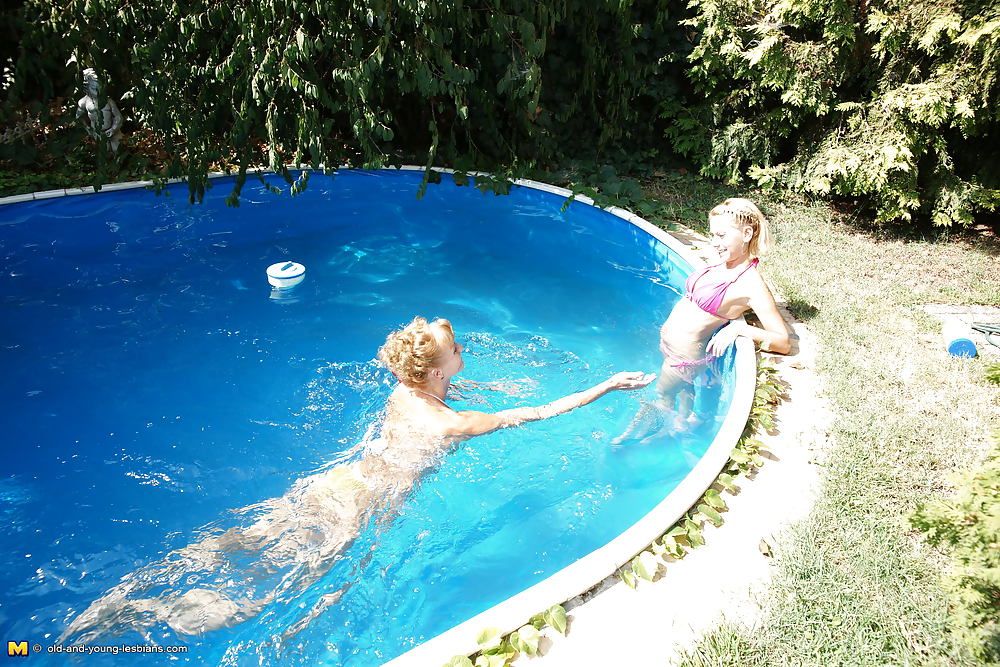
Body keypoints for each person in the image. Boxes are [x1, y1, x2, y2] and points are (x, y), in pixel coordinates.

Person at [62, 317, 653, 642]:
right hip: (366, 506)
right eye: (457, 349)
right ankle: (161, 617)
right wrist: (604, 386)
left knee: (253, 536)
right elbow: (538, 414)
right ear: (441, 368)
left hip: (339, 481)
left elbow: (451, 390)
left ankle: (127, 594)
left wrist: (479, 385)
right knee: (278, 586)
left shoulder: (407, 392)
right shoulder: (452, 424)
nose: (462, 348)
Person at [621, 198, 791, 440]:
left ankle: (625, 444)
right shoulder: (722, 264)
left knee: (660, 399)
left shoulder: (751, 284)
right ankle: (680, 428)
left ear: (747, 233)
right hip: (672, 348)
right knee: (679, 401)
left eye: (721, 236)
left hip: (683, 358)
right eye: (712, 235)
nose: (715, 243)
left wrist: (737, 331)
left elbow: (783, 341)